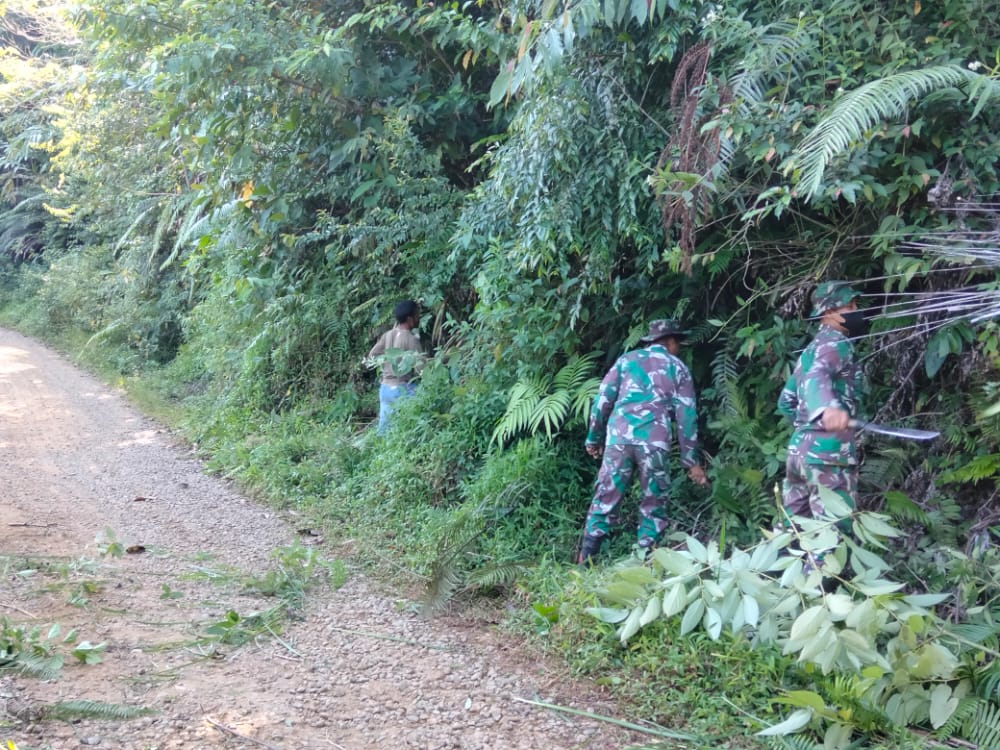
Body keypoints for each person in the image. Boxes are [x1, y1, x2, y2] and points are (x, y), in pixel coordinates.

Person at [578, 319, 709, 564]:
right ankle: (646, 562)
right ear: (670, 341)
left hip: (618, 439)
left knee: (605, 497)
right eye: (677, 343)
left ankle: (585, 561)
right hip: (654, 442)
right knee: (654, 501)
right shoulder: (678, 368)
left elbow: (602, 400)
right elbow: (686, 417)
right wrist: (690, 461)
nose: (678, 348)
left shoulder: (626, 361)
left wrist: (593, 438)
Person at [777, 281, 867, 521]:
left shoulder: (810, 350)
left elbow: (786, 401)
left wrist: (806, 431)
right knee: (831, 535)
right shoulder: (835, 343)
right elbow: (819, 375)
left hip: (799, 455)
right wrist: (827, 409)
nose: (857, 309)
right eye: (850, 306)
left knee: (792, 534)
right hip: (827, 455)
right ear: (829, 312)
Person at [367, 299, 426, 433]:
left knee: (384, 432)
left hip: (385, 389)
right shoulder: (411, 339)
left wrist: (385, 366)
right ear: (410, 318)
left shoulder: (387, 335)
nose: (418, 318)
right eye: (417, 315)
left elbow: (372, 355)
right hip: (402, 388)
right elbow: (422, 369)